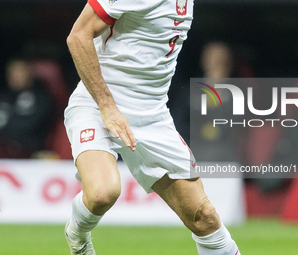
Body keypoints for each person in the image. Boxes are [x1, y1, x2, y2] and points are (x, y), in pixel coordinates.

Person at [64, 1, 241, 255]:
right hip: (97, 104)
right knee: (103, 193)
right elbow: (78, 36)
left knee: (205, 217)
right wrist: (107, 106)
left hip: (152, 116)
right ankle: (77, 235)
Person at [0, 57, 54, 158]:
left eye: (19, 71)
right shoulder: (3, 97)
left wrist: (6, 125)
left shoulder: (41, 99)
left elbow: (31, 127)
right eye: (11, 72)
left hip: (29, 155)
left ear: (30, 72)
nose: (15, 76)